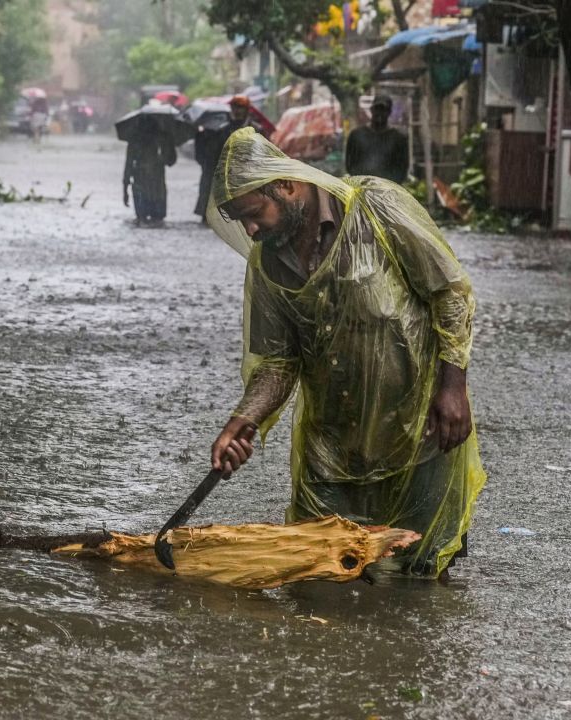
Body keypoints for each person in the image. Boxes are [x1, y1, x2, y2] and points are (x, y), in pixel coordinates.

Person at [205, 127, 485, 577]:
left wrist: (454, 388)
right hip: (331, 449)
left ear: (286, 185)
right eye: (241, 221)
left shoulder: (377, 207)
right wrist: (244, 419)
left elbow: (450, 294)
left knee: (419, 576)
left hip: (419, 434)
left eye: (255, 213)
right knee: (318, 575)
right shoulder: (269, 263)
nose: (251, 230)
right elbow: (278, 361)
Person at [194, 96, 254, 219]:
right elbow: (211, 150)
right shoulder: (222, 128)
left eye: (241, 107)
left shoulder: (254, 128)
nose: (237, 110)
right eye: (235, 107)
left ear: (246, 109)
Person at [345, 95, 409, 184]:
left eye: (384, 110)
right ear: (371, 110)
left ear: (389, 112)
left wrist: (388, 185)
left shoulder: (398, 138)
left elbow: (402, 168)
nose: (380, 113)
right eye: (377, 109)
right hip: (362, 186)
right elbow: (350, 164)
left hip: (387, 189)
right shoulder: (356, 135)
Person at [123, 131, 177, 227]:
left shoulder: (135, 139)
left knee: (145, 217)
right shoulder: (162, 137)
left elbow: (128, 165)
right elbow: (171, 161)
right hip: (153, 184)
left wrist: (125, 189)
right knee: (155, 218)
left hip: (147, 183)